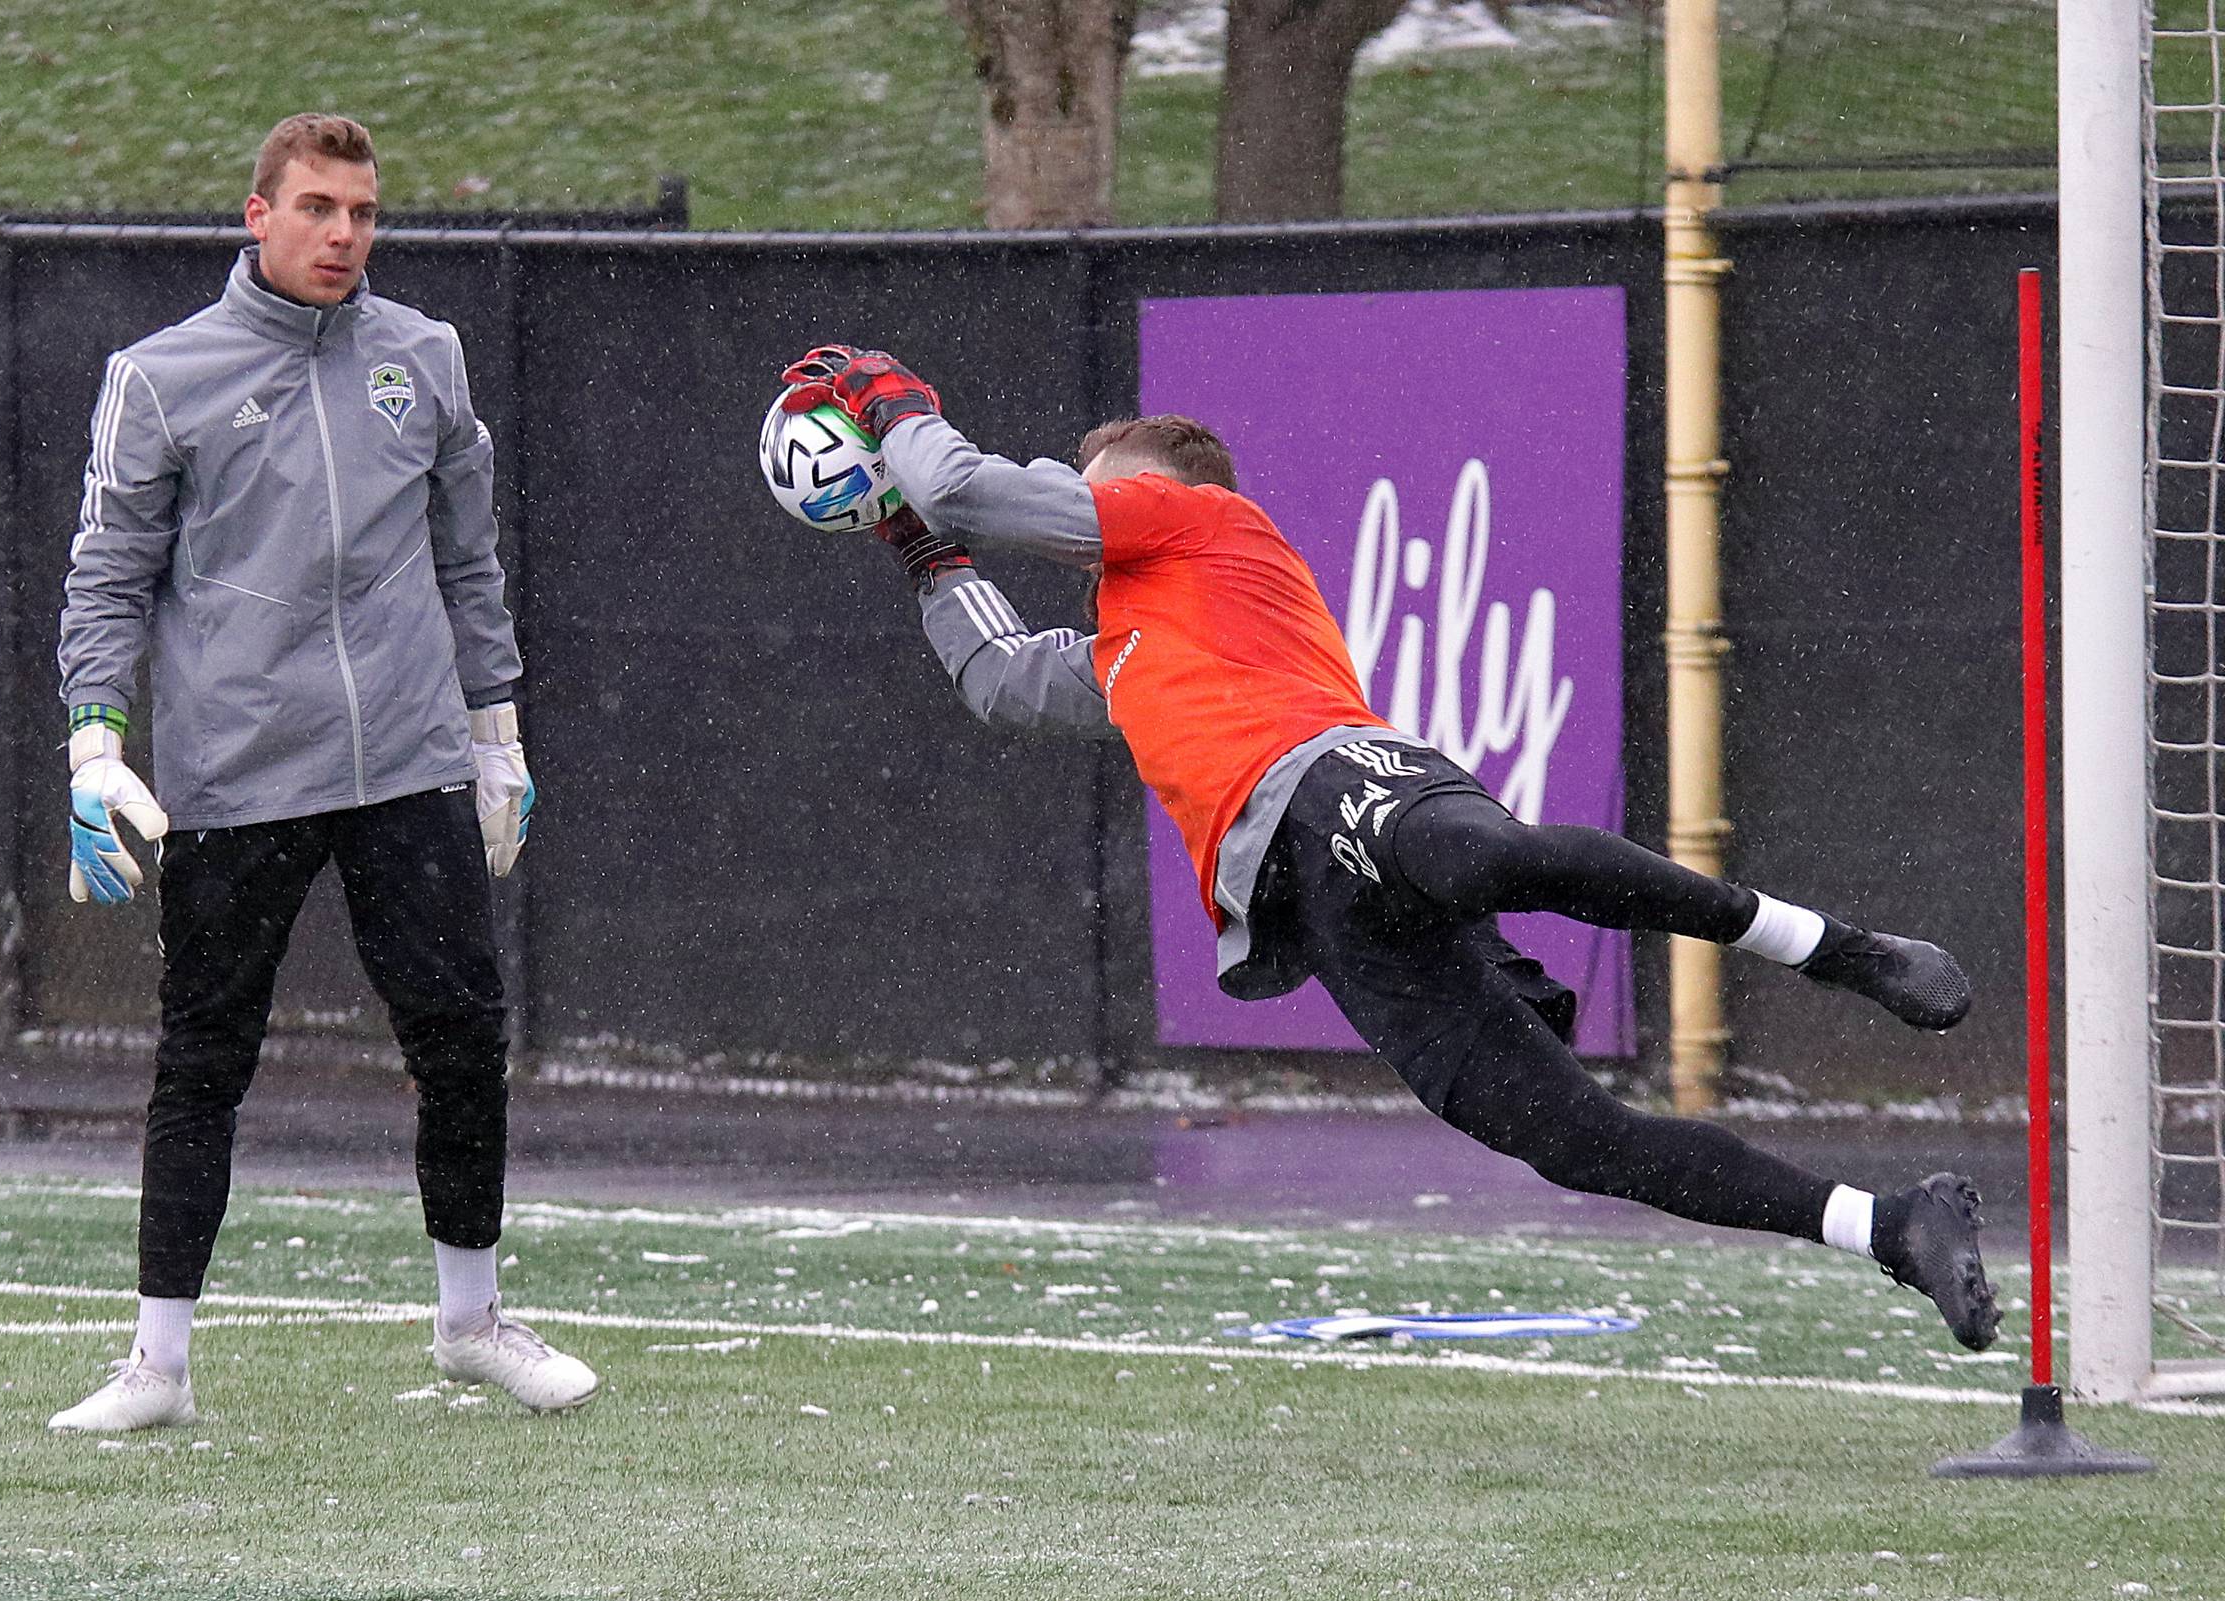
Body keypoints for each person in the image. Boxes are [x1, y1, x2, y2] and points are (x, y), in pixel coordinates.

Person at [776, 345, 2001, 1352]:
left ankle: (1835, 947)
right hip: (1306, 896)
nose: (1076, 501)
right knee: (1568, 1137)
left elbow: (985, 492)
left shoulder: (1201, 517)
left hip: (1338, 773)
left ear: (1144, 482)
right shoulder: (1128, 650)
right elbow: (997, 679)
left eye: (1089, 480)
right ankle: (1894, 1227)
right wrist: (923, 557)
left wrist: (895, 403)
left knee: (1487, 861)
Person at [48, 114, 597, 1432]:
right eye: (316, 208)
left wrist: (496, 731)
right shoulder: (160, 376)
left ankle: (473, 1322)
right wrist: (94, 741)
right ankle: (157, 1367)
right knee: (203, 1062)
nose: (343, 234)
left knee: (463, 1039)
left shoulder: (426, 357)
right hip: (237, 775)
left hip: (408, 764)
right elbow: (108, 572)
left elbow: (470, 560)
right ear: (258, 213)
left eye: (362, 211)